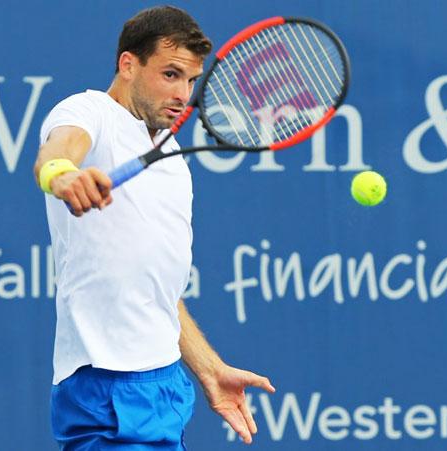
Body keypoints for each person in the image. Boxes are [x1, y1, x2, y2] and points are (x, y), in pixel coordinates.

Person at [33, 6, 275, 449]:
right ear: (129, 64)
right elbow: (58, 150)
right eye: (170, 74)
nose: (183, 93)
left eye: (190, 80)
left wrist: (207, 368)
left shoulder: (170, 156)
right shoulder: (90, 111)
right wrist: (63, 176)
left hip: (164, 383)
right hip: (107, 388)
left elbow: (155, 291)